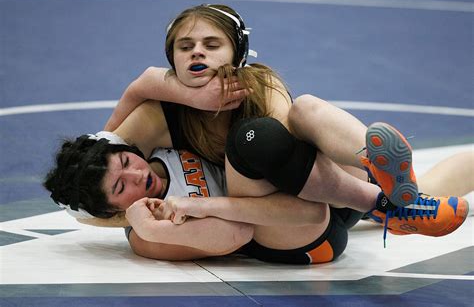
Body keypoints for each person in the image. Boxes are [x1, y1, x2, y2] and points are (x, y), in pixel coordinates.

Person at [44, 100, 471, 264]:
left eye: (125, 161)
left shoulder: (160, 149)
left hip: (310, 187)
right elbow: (235, 234)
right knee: (253, 140)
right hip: (299, 231)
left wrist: (198, 203)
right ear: (115, 210)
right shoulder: (145, 234)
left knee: (302, 110)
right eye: (122, 187)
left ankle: (391, 197)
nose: (137, 174)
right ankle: (385, 203)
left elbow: (149, 85)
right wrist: (167, 219)